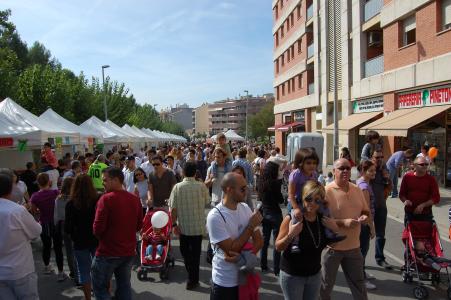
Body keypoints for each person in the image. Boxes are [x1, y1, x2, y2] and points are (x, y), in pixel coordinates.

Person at [206, 172, 263, 300]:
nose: (246, 191)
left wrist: (247, 258)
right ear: (229, 190)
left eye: (246, 187)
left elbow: (259, 241)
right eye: (242, 188)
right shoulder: (215, 216)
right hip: (224, 282)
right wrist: (250, 226)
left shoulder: (245, 208)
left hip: (244, 278)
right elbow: (232, 250)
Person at [320, 158, 370, 300]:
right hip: (332, 248)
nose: (346, 171)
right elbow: (321, 220)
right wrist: (344, 222)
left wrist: (364, 218)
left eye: (348, 168)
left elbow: (365, 211)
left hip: (354, 247)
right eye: (341, 168)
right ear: (333, 171)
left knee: (359, 286)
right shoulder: (326, 191)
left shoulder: (357, 189)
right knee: (325, 287)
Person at [275, 181, 333, 300]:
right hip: (292, 276)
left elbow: (330, 243)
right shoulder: (292, 218)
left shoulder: (323, 219)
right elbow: (278, 246)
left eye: (317, 200)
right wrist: (291, 235)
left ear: (321, 201)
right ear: (302, 197)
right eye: (308, 198)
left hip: (315, 275)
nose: (312, 203)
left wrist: (335, 229)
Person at [92, 167, 143, 300]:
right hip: (128, 252)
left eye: (105, 180)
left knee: (100, 288)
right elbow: (139, 225)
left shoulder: (106, 199)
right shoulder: (134, 199)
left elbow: (97, 229)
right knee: (124, 286)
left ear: (116, 180)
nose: (103, 183)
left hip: (107, 252)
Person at [0, 173, 42, 300]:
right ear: (10, 189)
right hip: (20, 269)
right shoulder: (17, 211)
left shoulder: (16, 210)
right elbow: (36, 231)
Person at [169, 161, 210, 290]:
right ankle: (193, 278)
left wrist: (174, 224)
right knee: (196, 254)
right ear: (195, 172)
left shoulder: (177, 187)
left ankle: (192, 278)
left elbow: (173, 209)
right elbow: (207, 202)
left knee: (185, 252)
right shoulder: (202, 186)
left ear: (183, 172)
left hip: (184, 227)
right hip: (197, 226)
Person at [65, 174, 99, 300]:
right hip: (96, 239)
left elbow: (67, 227)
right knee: (100, 269)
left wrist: (73, 235)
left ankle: (87, 298)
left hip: (79, 241)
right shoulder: (97, 199)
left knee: (84, 271)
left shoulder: (71, 204)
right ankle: (100, 293)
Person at [30, 173, 67, 281]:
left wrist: (39, 212)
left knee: (46, 246)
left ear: (38, 183)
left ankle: (46, 267)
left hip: (44, 223)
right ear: (49, 182)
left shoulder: (35, 196)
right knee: (58, 248)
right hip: (56, 223)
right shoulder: (55, 192)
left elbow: (34, 211)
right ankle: (60, 273)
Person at [288, 148, 319, 253]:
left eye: (314, 163)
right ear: (300, 163)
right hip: (296, 202)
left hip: (309, 201)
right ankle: (294, 243)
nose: (312, 166)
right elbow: (291, 194)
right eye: (308, 163)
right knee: (296, 219)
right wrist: (296, 208)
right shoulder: (296, 174)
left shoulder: (314, 174)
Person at [258, 161, 284, 276]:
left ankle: (263, 265)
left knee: (265, 241)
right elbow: (281, 200)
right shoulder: (275, 183)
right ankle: (276, 268)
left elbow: (259, 197)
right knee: (277, 242)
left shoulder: (261, 182)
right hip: (275, 214)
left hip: (265, 213)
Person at [370, 149, 393, 270]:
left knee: (380, 234)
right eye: (377, 157)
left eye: (381, 157)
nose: (379, 159)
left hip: (381, 206)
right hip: (367, 207)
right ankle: (359, 262)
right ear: (371, 157)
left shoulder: (384, 169)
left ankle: (380, 258)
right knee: (363, 236)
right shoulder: (368, 168)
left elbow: (390, 186)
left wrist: (387, 178)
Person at [399, 156, 440, 223]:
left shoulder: (431, 179)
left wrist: (423, 205)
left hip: (425, 214)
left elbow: (436, 198)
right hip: (410, 213)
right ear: (415, 165)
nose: (425, 166)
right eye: (422, 164)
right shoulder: (407, 177)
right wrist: (405, 201)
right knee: (410, 233)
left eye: (426, 164)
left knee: (425, 233)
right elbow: (401, 194)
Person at [356, 160, 377, 290]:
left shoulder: (363, 183)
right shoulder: (363, 186)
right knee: (362, 251)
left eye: (374, 170)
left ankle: (362, 273)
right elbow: (366, 209)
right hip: (364, 223)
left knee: (362, 251)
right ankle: (360, 279)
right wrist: (372, 227)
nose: (374, 173)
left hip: (364, 222)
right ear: (364, 171)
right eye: (371, 171)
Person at [54, 177, 78, 283]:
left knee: (69, 250)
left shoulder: (59, 198)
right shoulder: (76, 198)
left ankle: (73, 272)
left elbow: (57, 216)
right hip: (76, 225)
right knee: (78, 249)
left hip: (64, 225)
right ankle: (79, 273)